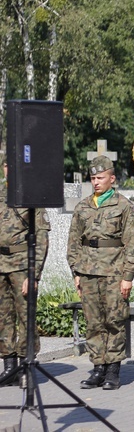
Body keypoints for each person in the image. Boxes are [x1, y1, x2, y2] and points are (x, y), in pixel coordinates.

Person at [68, 155, 134, 391]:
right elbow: (74, 243)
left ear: (112, 178)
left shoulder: (124, 206)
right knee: (93, 322)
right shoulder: (83, 206)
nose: (96, 182)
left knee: (114, 321)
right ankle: (98, 368)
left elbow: (131, 244)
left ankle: (113, 370)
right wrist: (76, 272)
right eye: (93, 178)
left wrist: (128, 276)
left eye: (100, 178)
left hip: (114, 272)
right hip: (88, 272)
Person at [0, 154, 50, 386]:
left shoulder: (32, 196)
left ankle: (26, 365)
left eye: (14, 166)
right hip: (0, 264)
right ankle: (8, 366)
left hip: (22, 264)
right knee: (3, 318)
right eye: (7, 166)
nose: (10, 170)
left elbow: (41, 238)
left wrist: (34, 273)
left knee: (26, 316)